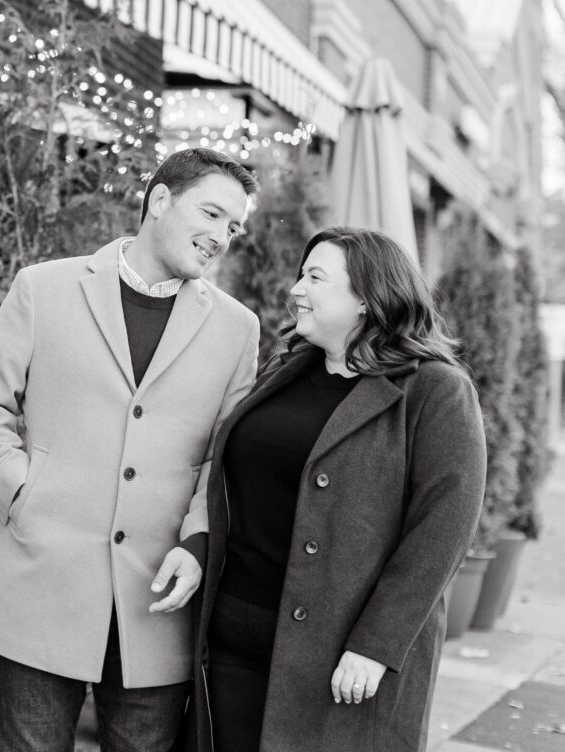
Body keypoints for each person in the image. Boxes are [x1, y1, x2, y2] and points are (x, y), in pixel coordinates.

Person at [0, 147, 260, 752]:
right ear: (161, 200)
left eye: (234, 226)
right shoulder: (44, 287)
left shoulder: (237, 327)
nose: (222, 236)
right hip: (41, 583)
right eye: (213, 214)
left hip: (158, 603)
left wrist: (198, 544)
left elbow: (225, 460)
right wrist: (21, 492)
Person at [186, 226, 487, 752]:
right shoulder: (284, 370)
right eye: (301, 273)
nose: (296, 288)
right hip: (235, 632)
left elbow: (442, 531)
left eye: (315, 277)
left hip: (340, 652)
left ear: (368, 301)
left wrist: (375, 645)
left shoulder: (435, 390)